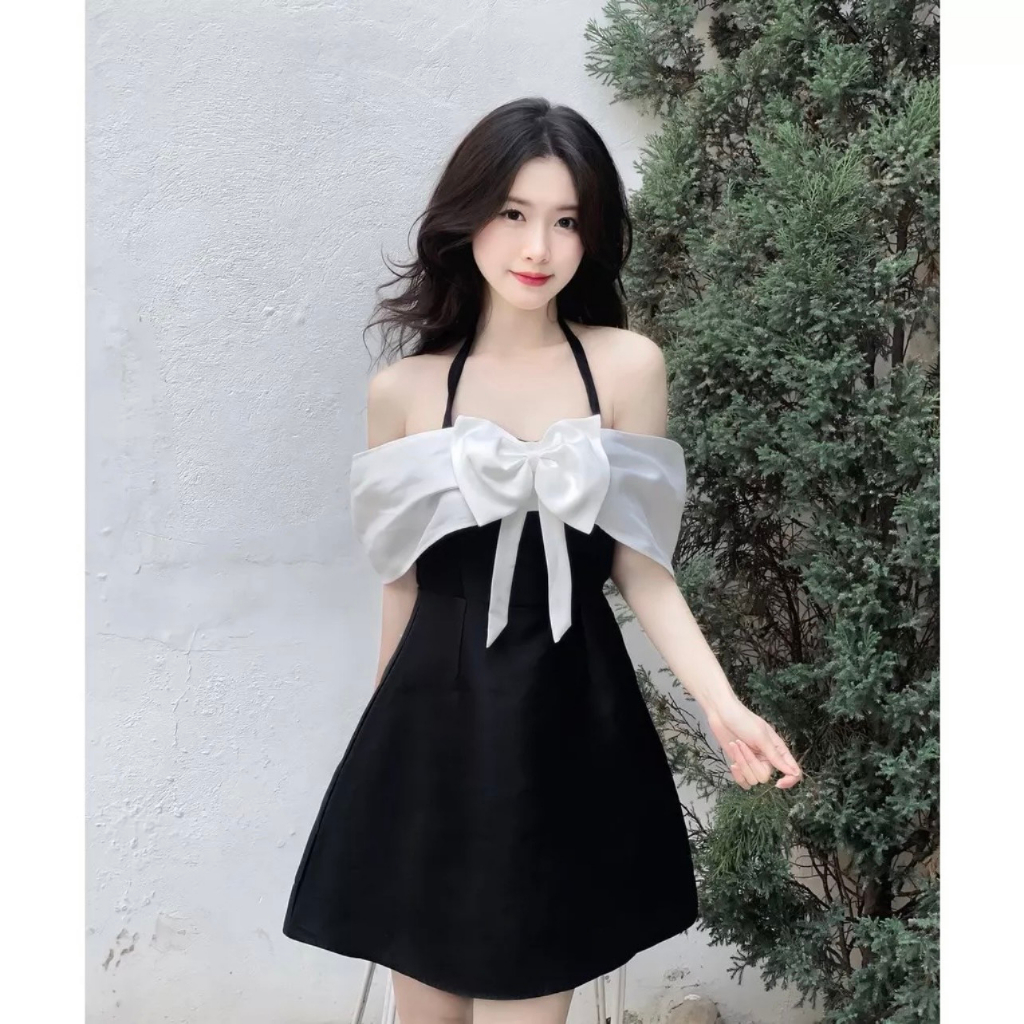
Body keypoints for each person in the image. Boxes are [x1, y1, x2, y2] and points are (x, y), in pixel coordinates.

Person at [282, 97, 802, 1024]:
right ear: (468, 218)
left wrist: (723, 706)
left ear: (591, 236)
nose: (538, 247)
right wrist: (380, 752)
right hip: (430, 719)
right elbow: (400, 579)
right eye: (514, 213)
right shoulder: (403, 391)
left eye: (567, 221)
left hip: (565, 716)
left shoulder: (627, 367)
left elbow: (642, 567)